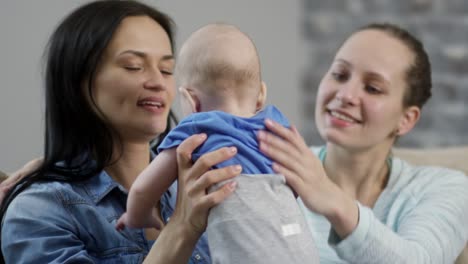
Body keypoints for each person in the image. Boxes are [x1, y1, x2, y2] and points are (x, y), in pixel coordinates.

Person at [0, 1, 241, 263]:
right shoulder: (38, 210)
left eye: (166, 70)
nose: (157, 82)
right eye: (133, 66)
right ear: (79, 80)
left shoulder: (209, 180)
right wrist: (183, 227)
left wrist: (293, 190)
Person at [256, 22, 468, 263]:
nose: (345, 95)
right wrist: (201, 228)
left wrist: (335, 203)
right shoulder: (273, 174)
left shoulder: (444, 188)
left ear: (406, 119)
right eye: (339, 75)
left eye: (373, 88)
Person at [117, 23, 319, 264]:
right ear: (261, 96)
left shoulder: (198, 130)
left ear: (191, 101)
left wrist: (136, 216)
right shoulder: (275, 125)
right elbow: (299, 183)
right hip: (298, 243)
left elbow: (142, 189)